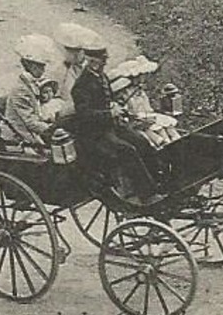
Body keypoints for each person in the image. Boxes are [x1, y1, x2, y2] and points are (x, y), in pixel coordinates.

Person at [68, 38, 160, 205]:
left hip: (110, 127)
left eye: (104, 60)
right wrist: (109, 113)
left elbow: (107, 99)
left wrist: (115, 106)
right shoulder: (81, 85)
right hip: (93, 135)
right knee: (127, 150)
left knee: (142, 141)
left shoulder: (100, 77)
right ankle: (147, 195)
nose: (104, 63)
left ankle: (158, 183)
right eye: (102, 60)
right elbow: (84, 114)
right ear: (91, 61)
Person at [0, 34, 63, 150]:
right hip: (18, 138)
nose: (43, 70)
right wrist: (51, 129)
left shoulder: (32, 84)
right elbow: (29, 121)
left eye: (43, 66)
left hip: (29, 133)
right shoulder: (20, 89)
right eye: (39, 66)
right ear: (29, 65)